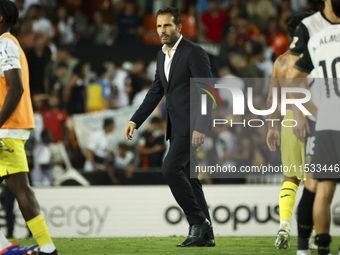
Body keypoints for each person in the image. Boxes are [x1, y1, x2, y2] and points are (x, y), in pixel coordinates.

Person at [124, 7, 213, 247]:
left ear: (179, 27)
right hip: (176, 128)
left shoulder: (194, 52)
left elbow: (208, 92)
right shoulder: (162, 55)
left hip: (191, 126)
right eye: (159, 26)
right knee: (189, 178)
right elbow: (156, 92)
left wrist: (201, 127)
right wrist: (135, 120)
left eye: (167, 26)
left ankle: (197, 222)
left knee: (169, 170)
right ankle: (207, 235)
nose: (162, 31)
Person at [0, 1, 58, 254]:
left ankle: (46, 248)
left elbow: (16, 88)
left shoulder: (5, 43)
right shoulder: (9, 44)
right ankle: (32, 247)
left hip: (7, 128)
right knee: (20, 187)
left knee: (20, 187)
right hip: (11, 126)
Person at [286, 1, 340, 254]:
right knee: (314, 184)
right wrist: (299, 111)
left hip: (327, 116)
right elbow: (292, 74)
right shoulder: (309, 27)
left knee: (320, 185)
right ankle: (303, 248)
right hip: (318, 114)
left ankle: (320, 248)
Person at [266, 11, 316, 250]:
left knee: (290, 179)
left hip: (286, 122)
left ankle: (284, 223)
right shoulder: (314, 55)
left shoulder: (280, 61)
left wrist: (271, 128)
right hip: (312, 119)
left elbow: (271, 98)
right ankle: (313, 235)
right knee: (314, 181)